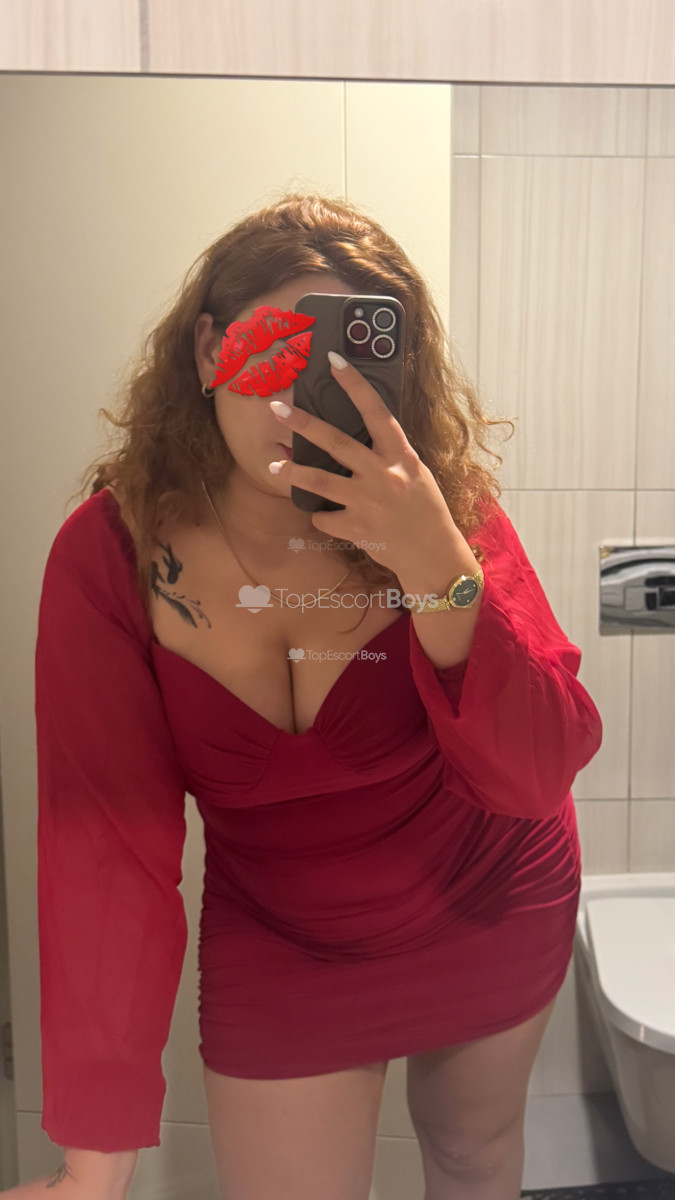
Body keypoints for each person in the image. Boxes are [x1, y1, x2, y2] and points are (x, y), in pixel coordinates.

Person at [15, 192, 602, 1200]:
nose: (300, 397)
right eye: (277, 349)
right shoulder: (112, 555)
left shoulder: (445, 514)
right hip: (282, 939)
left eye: (342, 361)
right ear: (210, 350)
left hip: (488, 894)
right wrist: (94, 1167)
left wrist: (435, 564)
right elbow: (102, 848)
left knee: (471, 1156)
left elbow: (537, 769)